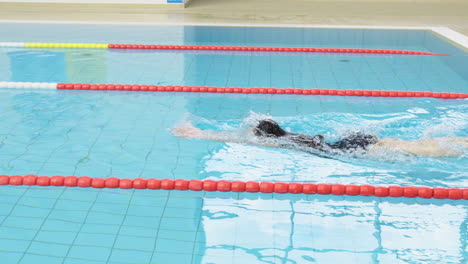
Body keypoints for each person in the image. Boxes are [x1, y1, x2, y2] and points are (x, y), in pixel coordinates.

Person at [173, 119, 467, 158]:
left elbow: (236, 140)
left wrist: (199, 135)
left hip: (351, 147)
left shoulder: (277, 142)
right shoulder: (289, 135)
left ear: (262, 136)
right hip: (352, 138)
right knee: (412, 144)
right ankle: (460, 141)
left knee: (425, 150)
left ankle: (454, 149)